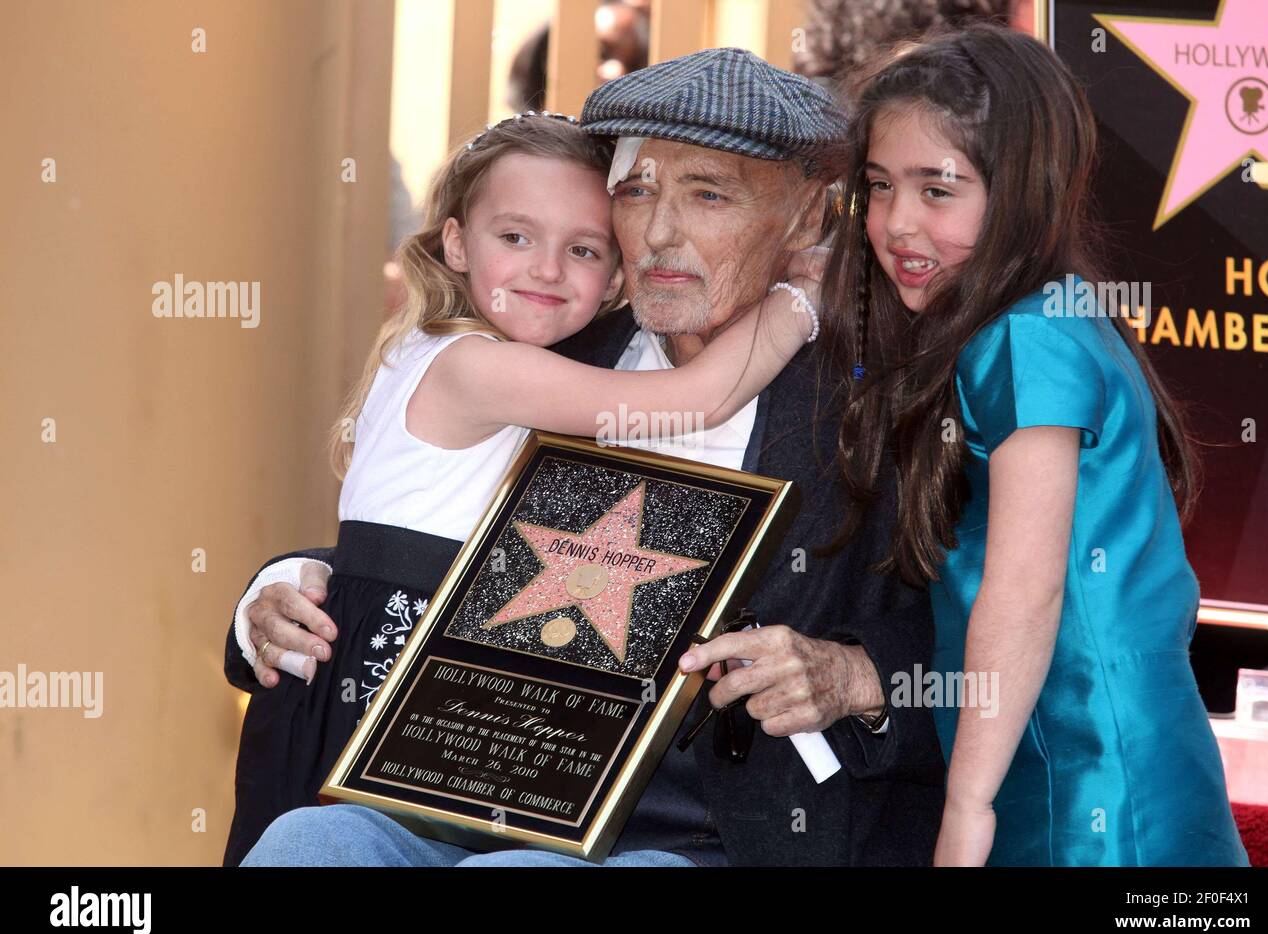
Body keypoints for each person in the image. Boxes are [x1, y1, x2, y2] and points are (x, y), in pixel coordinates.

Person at [227, 48, 945, 868]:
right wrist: (283, 584)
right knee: (309, 845)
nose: (661, 233)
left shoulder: (890, 400)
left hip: (725, 828)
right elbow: (420, 531)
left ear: (809, 219)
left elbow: (1010, 650)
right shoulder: (562, 350)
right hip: (487, 805)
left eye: (707, 194)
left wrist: (852, 675)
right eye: (636, 192)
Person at [819, 24, 1248, 866]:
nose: (896, 223)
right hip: (1078, 741)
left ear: (1023, 191)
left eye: (937, 190)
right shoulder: (1044, 319)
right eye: (877, 187)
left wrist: (967, 811)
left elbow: (1025, 590)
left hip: (1085, 760)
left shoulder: (1028, 340)